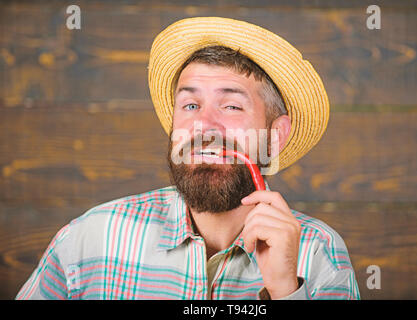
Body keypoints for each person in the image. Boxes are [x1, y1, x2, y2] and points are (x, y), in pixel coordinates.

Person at [17, 17, 360, 300]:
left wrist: (285, 290)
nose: (203, 126)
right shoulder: (90, 239)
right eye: (191, 106)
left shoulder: (317, 253)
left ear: (275, 135)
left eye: (231, 106)